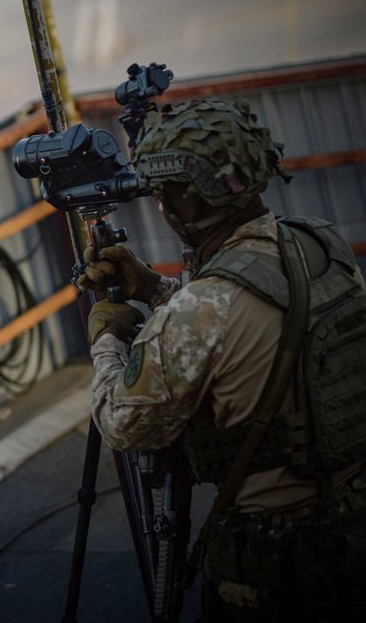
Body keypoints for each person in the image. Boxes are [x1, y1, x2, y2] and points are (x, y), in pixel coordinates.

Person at [79, 98, 366, 620]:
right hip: (354, 527)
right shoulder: (320, 242)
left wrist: (105, 340)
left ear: (193, 199)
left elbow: (123, 425)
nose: (161, 206)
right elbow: (256, 330)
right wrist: (153, 287)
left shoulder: (203, 308)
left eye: (166, 193)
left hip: (282, 565)